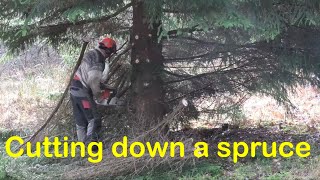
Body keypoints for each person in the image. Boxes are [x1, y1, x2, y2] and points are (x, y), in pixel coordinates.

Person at [69, 37, 117, 144]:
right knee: (94, 119)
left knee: (81, 122)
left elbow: (88, 75)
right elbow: (93, 79)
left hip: (74, 89)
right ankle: (91, 147)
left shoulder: (92, 54)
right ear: (108, 51)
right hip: (82, 91)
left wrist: (105, 87)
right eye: (111, 53)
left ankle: (82, 147)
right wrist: (99, 96)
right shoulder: (98, 60)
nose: (110, 56)